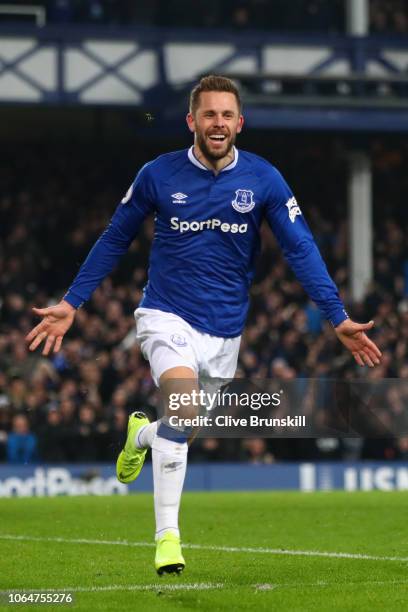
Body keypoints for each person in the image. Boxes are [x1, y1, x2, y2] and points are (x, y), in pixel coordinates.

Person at [26, 74, 382, 575]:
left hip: (225, 333)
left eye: (226, 115)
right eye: (208, 114)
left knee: (180, 429)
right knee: (185, 408)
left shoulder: (264, 180)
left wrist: (337, 316)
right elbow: (114, 238)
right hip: (166, 315)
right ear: (192, 121)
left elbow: (300, 248)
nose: (218, 124)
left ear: (240, 123)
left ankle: (143, 437)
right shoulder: (158, 175)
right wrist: (72, 302)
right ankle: (167, 539)